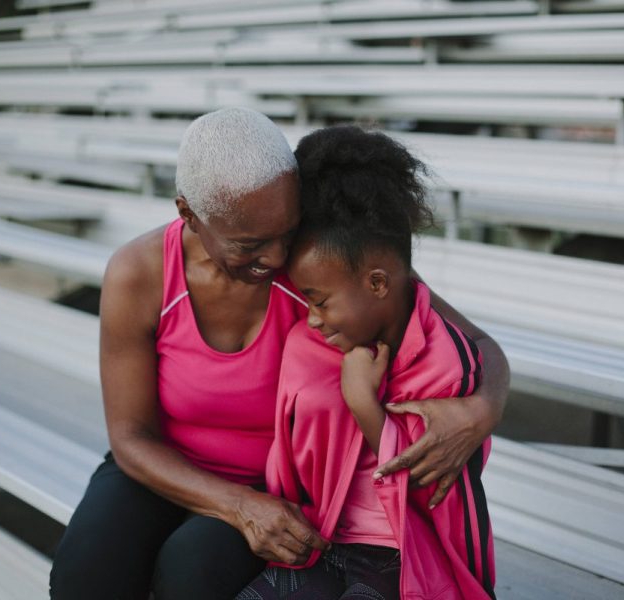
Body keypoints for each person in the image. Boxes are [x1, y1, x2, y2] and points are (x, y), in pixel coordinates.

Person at [49, 108, 508, 600]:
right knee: (84, 578)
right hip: (163, 465)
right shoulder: (139, 273)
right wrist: (236, 506)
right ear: (188, 214)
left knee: (192, 572)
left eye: (285, 233)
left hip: (277, 484)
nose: (273, 258)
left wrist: (481, 409)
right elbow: (130, 438)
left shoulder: (316, 266)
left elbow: (479, 344)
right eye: (250, 243)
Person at [236, 125, 495, 600]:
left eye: (318, 301)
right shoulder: (309, 341)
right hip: (321, 539)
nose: (310, 318)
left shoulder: (445, 362)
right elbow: (288, 465)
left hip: (405, 554)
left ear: (377, 284)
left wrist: (362, 403)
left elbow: (430, 494)